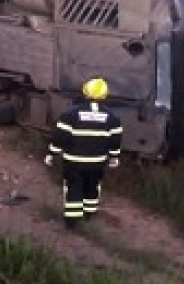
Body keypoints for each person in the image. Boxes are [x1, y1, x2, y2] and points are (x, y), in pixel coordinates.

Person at [44, 77, 124, 229]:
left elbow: (61, 138)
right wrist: (114, 157)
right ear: (104, 95)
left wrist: (51, 154)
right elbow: (115, 140)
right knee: (92, 187)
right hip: (97, 162)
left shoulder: (70, 114)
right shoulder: (113, 118)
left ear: (84, 92)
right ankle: (89, 215)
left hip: (73, 161)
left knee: (74, 187)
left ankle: (72, 222)